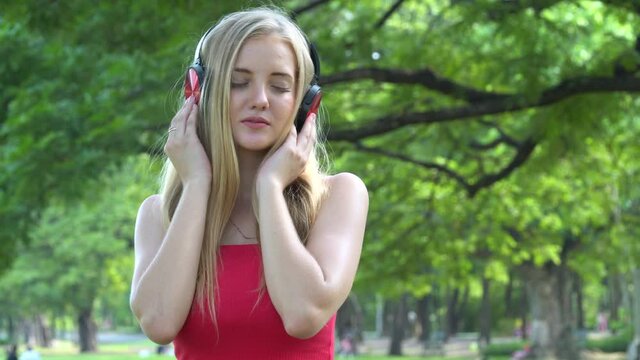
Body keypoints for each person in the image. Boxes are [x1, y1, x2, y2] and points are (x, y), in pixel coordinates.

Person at [129, 6, 368, 359]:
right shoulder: (158, 215)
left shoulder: (339, 197)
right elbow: (159, 323)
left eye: (280, 86)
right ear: (198, 93)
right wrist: (196, 183)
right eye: (238, 82)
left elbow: (304, 314)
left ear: (305, 105)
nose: (259, 99)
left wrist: (270, 186)